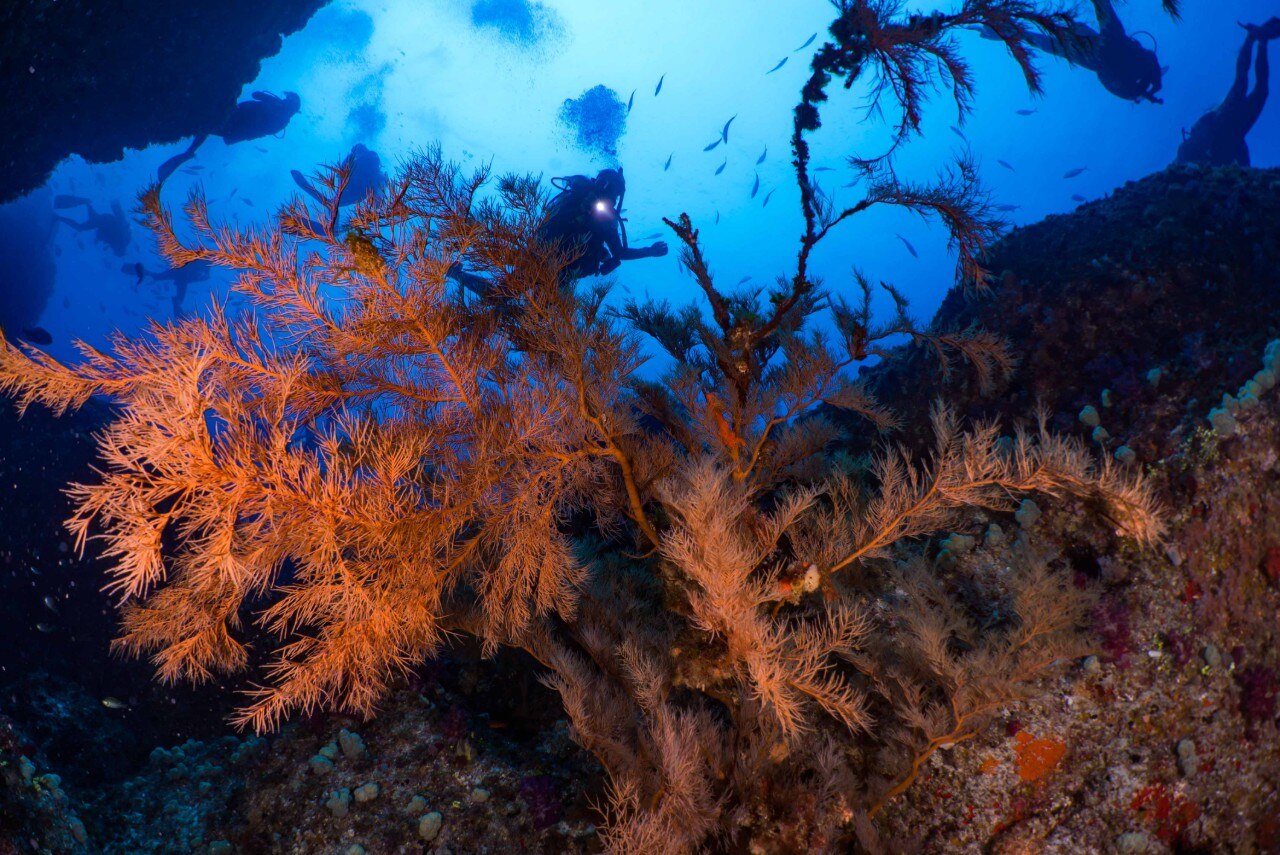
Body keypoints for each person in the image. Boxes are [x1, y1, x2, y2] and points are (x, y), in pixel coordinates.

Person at [450, 167, 668, 295]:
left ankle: (459, 257)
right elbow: (620, 253)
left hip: (554, 265)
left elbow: (619, 253)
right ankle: (459, 256)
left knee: (509, 300)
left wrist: (648, 250)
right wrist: (649, 251)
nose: (611, 197)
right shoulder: (582, 197)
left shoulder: (598, 210)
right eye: (611, 191)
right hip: (550, 261)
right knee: (503, 295)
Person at [981, 0, 1164, 103]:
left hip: (1107, 52)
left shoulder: (1098, 48)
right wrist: (1147, 86)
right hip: (1109, 52)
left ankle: (1001, 30)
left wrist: (1147, 86)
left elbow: (1121, 84)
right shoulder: (1100, 48)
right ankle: (1002, 31)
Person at [1176, 19, 1279, 168]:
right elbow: (1244, 165)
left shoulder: (1190, 150)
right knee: (1260, 90)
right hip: (1236, 131)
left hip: (1222, 124)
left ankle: (1252, 38)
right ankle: (1261, 42)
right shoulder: (1193, 151)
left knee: (1241, 84)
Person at [158, 91, 302, 183]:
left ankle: (188, 151)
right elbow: (255, 95)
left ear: (291, 106)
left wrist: (272, 101)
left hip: (236, 124)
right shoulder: (281, 118)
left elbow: (258, 109)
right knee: (205, 125)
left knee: (206, 125)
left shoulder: (281, 118)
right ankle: (188, 151)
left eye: (287, 100)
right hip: (236, 126)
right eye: (285, 98)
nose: (284, 100)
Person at [290, 143, 385, 207]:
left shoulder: (358, 159)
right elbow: (342, 171)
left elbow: (341, 171)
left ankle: (333, 206)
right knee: (335, 202)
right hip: (358, 190)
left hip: (353, 189)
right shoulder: (370, 161)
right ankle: (333, 206)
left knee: (334, 202)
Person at [52, 196, 131, 256]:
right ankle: (59, 217)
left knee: (81, 226)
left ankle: (87, 204)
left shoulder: (119, 241)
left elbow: (105, 234)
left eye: (114, 250)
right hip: (104, 221)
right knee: (80, 227)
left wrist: (98, 238)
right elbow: (120, 222)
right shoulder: (121, 239)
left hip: (104, 221)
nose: (114, 249)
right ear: (120, 249)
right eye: (115, 250)